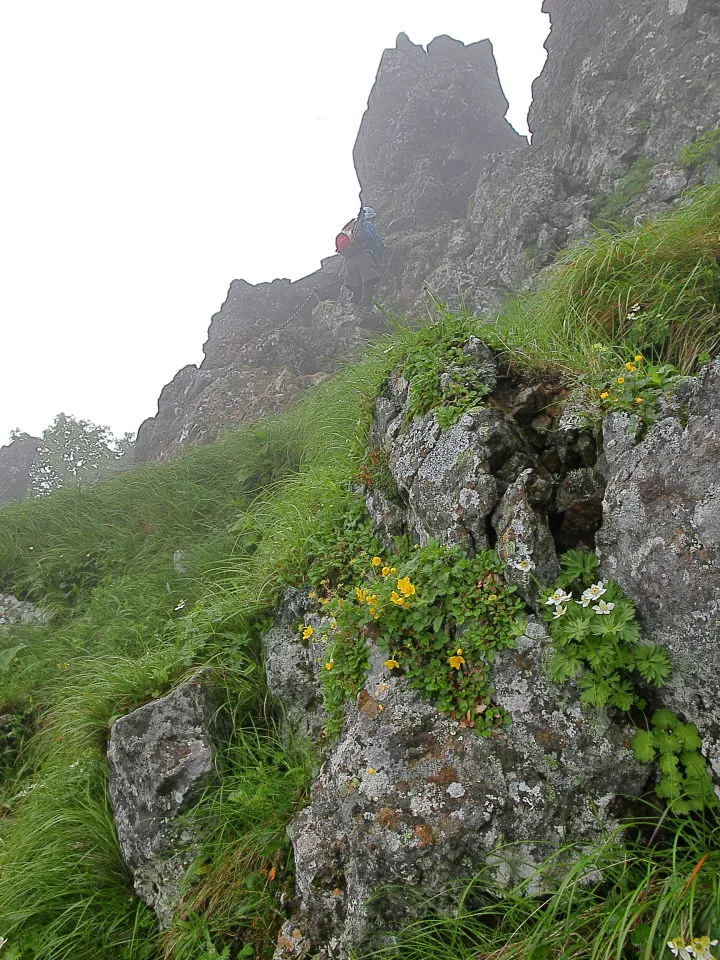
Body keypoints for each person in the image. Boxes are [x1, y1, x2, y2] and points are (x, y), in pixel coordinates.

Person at [339, 206, 384, 309]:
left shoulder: (352, 228)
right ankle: (367, 306)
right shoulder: (366, 225)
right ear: (369, 217)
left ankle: (353, 304)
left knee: (356, 284)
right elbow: (375, 240)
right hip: (363, 256)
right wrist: (380, 250)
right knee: (369, 280)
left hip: (350, 259)